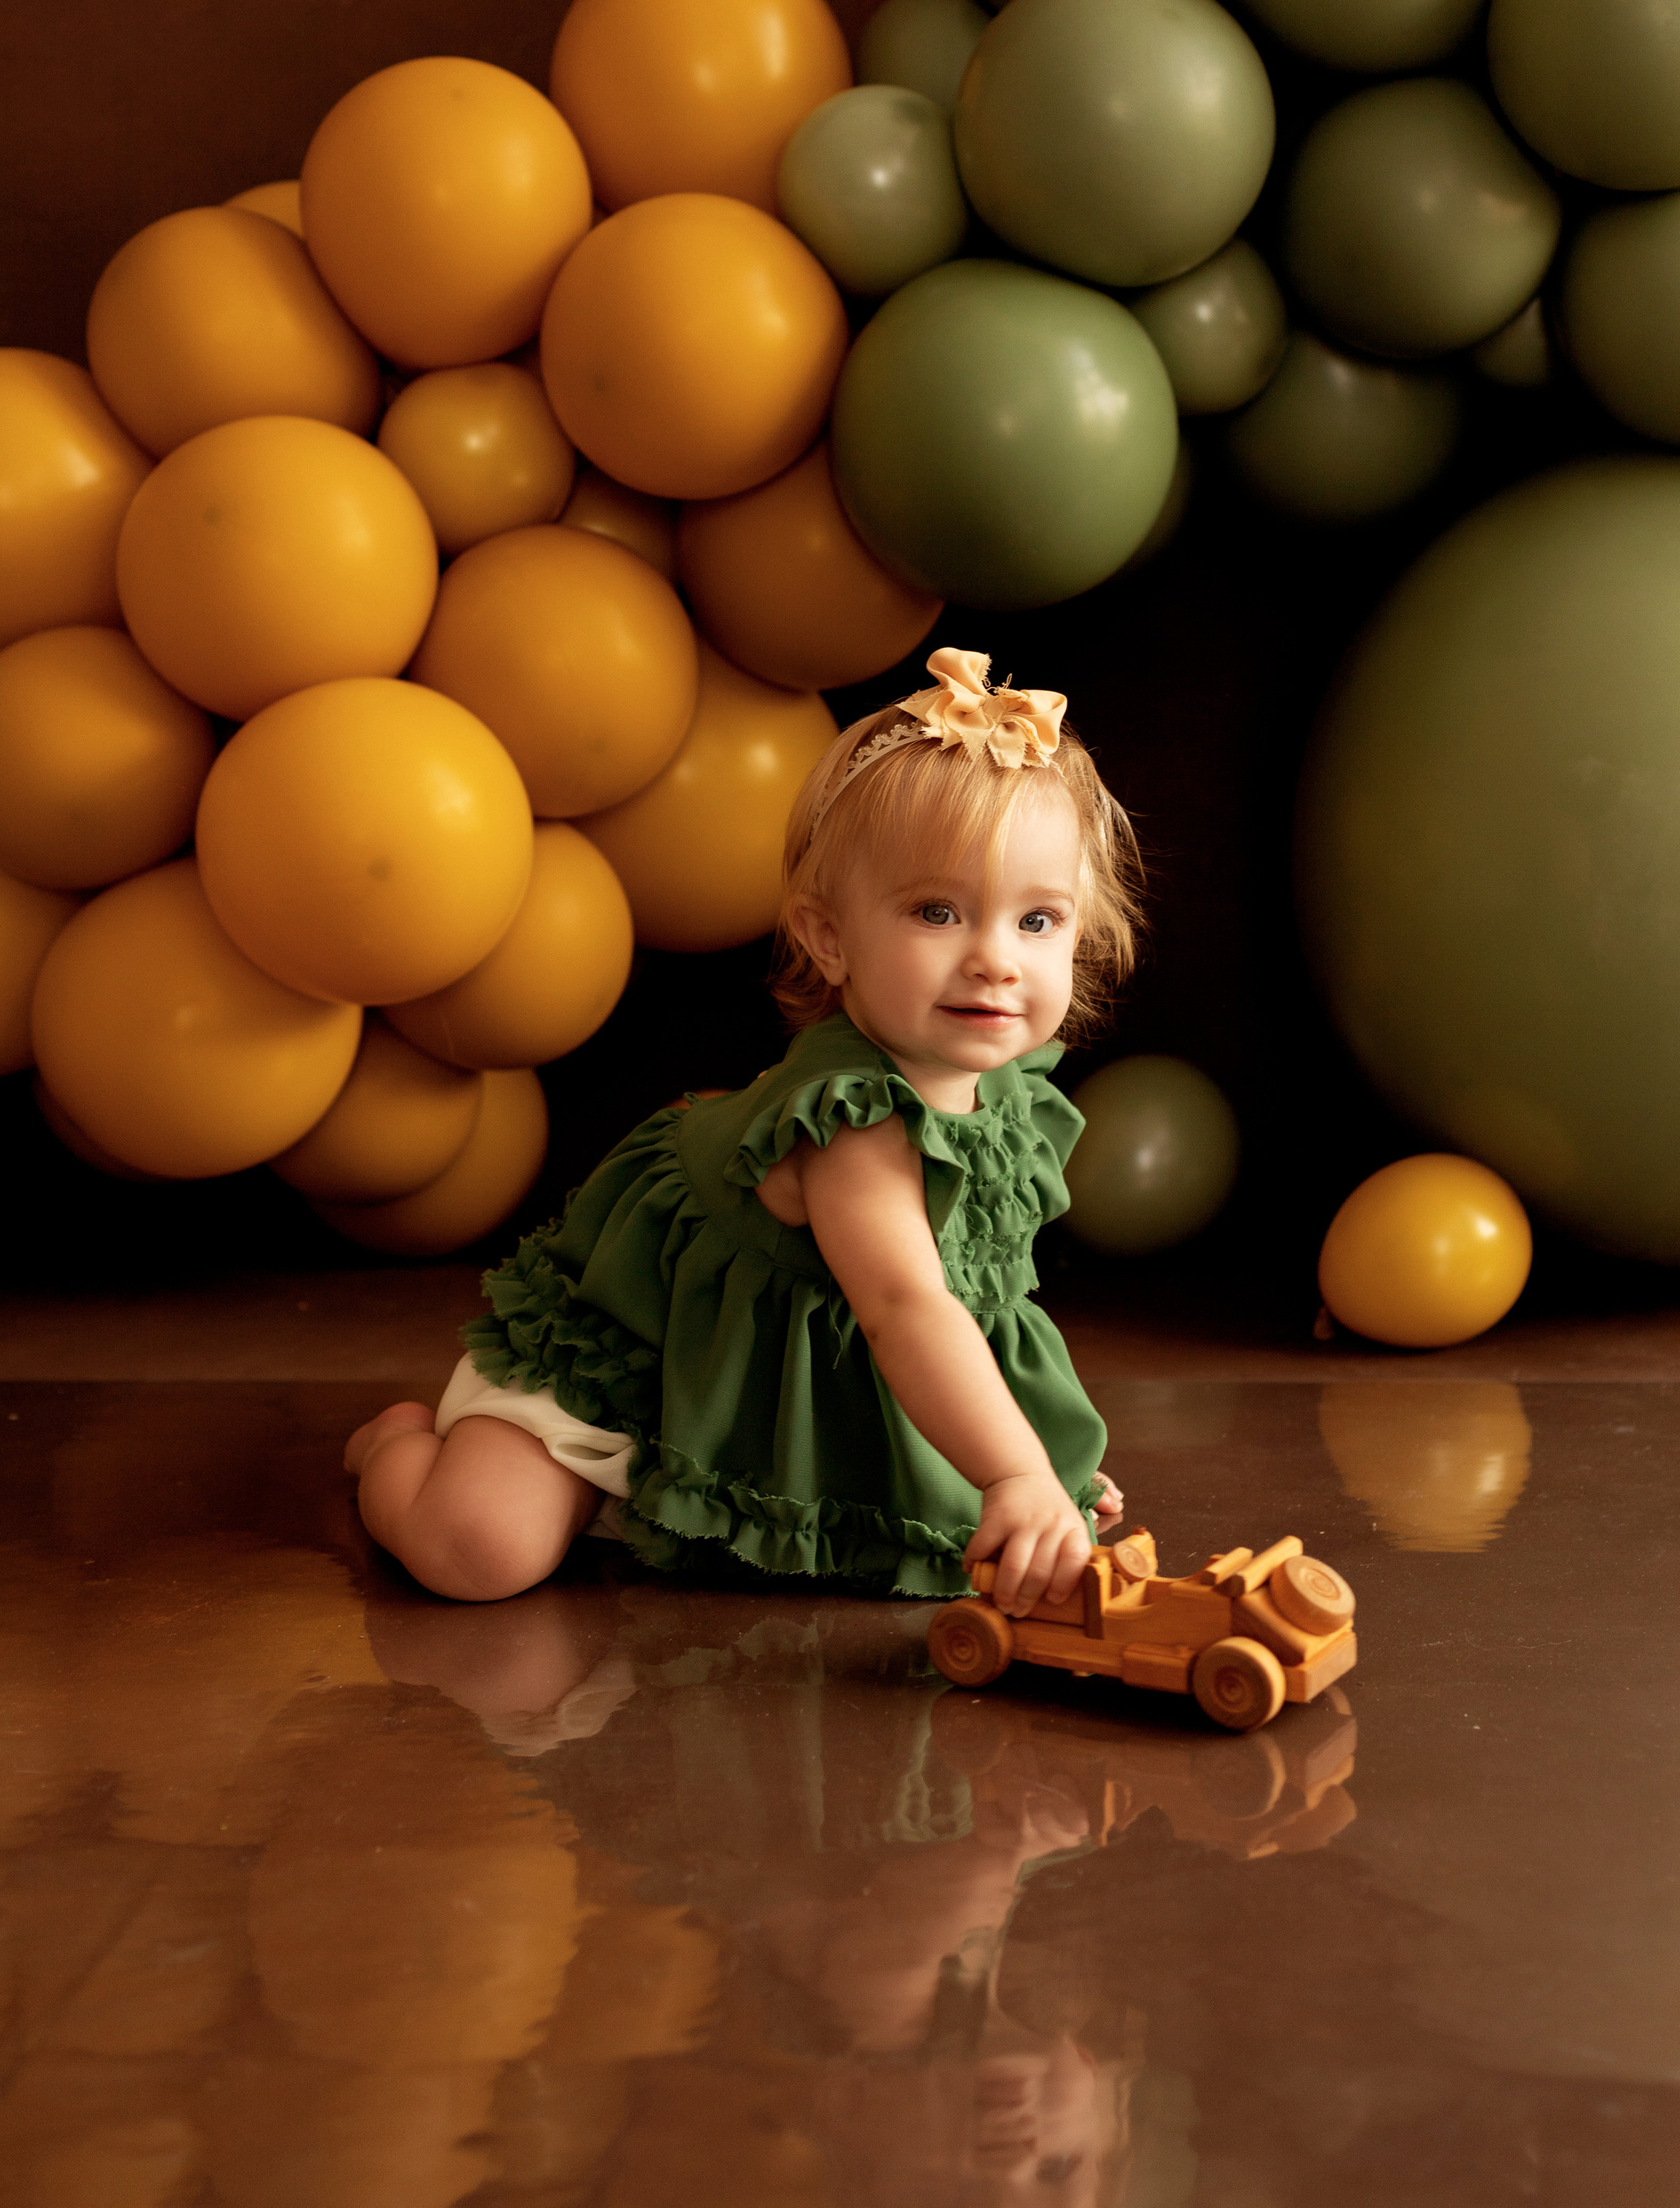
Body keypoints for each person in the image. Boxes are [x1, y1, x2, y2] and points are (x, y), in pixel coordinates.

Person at [345, 648, 1143, 1612]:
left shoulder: (1008, 1092)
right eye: (939, 912)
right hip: (647, 1353)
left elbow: (976, 1297)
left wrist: (1038, 1449)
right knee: (475, 1551)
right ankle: (395, 1447)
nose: (995, 961)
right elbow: (907, 1310)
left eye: (1038, 921)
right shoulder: (850, 1126)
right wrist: (1013, 1473)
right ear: (828, 937)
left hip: (762, 1363)